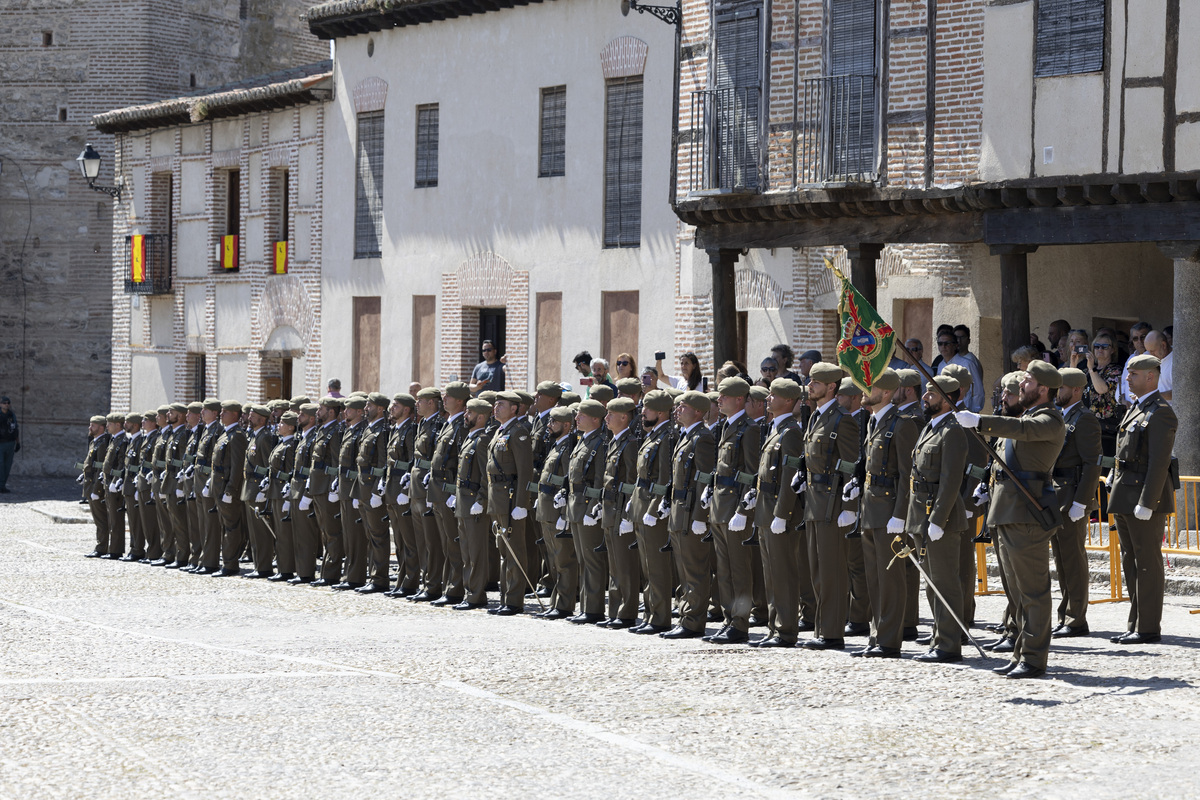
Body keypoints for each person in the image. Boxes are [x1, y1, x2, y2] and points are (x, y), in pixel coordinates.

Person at [958, 360, 1066, 679]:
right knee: (1017, 591)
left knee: (1033, 590)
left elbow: (1023, 431)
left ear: (1043, 389)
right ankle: (1021, 651)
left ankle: (1034, 658)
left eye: (1028, 381)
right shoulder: (1024, 417)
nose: (1022, 385)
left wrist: (979, 420)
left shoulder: (1049, 419)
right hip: (1006, 511)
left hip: (1027, 513)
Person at [1108, 354, 1177, 645]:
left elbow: (1159, 462)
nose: (1127, 378)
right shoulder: (1136, 408)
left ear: (1151, 376)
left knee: (1147, 561)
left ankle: (1148, 627)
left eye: (1133, 373)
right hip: (1125, 493)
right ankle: (1135, 622)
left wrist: (1148, 501)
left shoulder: (1160, 411)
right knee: (1131, 560)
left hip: (1144, 496)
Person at [853, 369, 917, 659]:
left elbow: (908, 475)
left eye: (872, 386)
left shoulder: (901, 425)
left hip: (890, 511)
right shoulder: (874, 422)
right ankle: (877, 634)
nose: (865, 390)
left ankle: (890, 640)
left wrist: (900, 514)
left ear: (888, 393)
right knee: (874, 578)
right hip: (871, 509)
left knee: (890, 578)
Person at [908, 375, 969, 665]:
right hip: (922, 513)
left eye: (932, 393)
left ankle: (949, 644)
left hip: (939, 517)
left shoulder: (953, 430)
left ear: (948, 399)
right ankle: (938, 636)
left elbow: (951, 479)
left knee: (945, 583)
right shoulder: (932, 427)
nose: (925, 397)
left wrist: (939, 519)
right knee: (932, 583)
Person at [800, 363, 859, 650]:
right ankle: (823, 627)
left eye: (816, 381)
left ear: (831, 387)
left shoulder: (842, 420)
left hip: (832, 504)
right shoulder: (815, 418)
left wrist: (850, 506)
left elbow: (850, 463)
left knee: (832, 569)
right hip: (813, 501)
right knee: (816, 570)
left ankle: (833, 632)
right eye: (810, 380)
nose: (810, 385)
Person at [703, 377, 760, 645]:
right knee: (724, 570)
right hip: (719, 506)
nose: (718, 400)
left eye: (723, 396)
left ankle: (740, 623)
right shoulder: (727, 426)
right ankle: (728, 619)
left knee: (739, 570)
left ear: (739, 399)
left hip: (734, 509)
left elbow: (750, 472)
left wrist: (742, 510)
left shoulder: (748, 429)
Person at [751, 378, 807, 648]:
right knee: (771, 573)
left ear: (788, 401)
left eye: (774, 395)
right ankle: (775, 627)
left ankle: (786, 629)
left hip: (778, 511)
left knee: (783, 572)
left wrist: (782, 513)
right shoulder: (775, 429)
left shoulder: (791, 432)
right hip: (765, 510)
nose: (768, 399)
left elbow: (790, 475)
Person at [1050, 368, 1103, 638]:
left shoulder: (1084, 419)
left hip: (1072, 496)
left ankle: (1076, 618)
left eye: (1061, 388)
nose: (1056, 393)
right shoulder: (1059, 416)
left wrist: (1082, 502)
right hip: (1055, 496)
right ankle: (1065, 613)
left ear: (1077, 390)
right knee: (1061, 560)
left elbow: (1092, 463)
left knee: (1073, 559)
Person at [662, 390, 716, 639]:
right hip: (678, 511)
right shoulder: (686, 436)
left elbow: (704, 479)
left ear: (697, 411)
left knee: (695, 569)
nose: (677, 410)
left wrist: (699, 516)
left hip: (690, 512)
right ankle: (685, 614)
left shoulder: (702, 438)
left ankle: (693, 621)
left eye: (682, 406)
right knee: (683, 570)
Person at [630, 389, 675, 634]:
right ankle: (650, 614)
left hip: (653, 509)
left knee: (656, 566)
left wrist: (654, 508)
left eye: (647, 409)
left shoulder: (667, 437)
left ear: (660, 412)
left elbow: (664, 479)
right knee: (647, 566)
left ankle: (659, 617)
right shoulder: (652, 435)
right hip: (642, 504)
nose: (642, 413)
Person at [486, 391, 534, 616]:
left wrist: (521, 504)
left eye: (501, 404)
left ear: (514, 408)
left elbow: (525, 471)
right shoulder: (500, 431)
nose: (496, 408)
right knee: (503, 549)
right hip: (497, 497)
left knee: (514, 549)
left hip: (511, 498)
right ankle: (505, 597)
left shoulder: (519, 433)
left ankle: (514, 600)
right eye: (495, 404)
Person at [598, 396, 641, 628]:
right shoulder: (615, 441)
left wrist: (627, 514)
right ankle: (615, 610)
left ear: (624, 417)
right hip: (610, 507)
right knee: (614, 564)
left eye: (610, 414)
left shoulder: (630, 443)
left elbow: (633, 481)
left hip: (621, 509)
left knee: (625, 564)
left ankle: (627, 612)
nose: (606, 418)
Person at [566, 399, 609, 624]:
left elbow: (599, 479)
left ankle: (593, 609)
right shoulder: (584, 440)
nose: (576, 419)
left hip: (587, 506)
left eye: (581, 415)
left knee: (592, 560)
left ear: (595, 419)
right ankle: (585, 606)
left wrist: (594, 508)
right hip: (576, 504)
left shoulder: (600, 443)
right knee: (583, 559)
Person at [356, 393, 393, 593]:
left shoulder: (382, 431)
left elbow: (381, 463)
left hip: (372, 490)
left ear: (380, 408)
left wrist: (379, 490)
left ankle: (379, 579)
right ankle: (372, 576)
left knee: (378, 535)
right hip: (363, 489)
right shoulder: (368, 429)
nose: (365, 408)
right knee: (370, 535)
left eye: (369, 405)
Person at [1082, 331, 1122, 455]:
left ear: (1113, 350)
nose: (1100, 349)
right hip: (1088, 427)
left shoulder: (1115, 370)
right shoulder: (1088, 371)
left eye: (1105, 347)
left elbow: (1102, 389)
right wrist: (1074, 361)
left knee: (1104, 467)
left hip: (1107, 430)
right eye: (1097, 346)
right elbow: (1074, 389)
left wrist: (1091, 369)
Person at [1121, 322, 1152, 404]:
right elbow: (1123, 383)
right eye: (1135, 338)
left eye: (1143, 337)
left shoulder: (1155, 358)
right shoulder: (1130, 358)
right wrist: (1123, 401)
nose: (1140, 341)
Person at [1145, 330, 1172, 402]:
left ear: (1163, 345)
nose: (1151, 355)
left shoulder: (1177, 361)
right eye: (1149, 351)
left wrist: (1153, 396)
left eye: (1152, 351)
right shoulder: (1153, 358)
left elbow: (1180, 393)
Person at [0, 396, 19, 493]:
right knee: (1, 465)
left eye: (8, 403)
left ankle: (2, 485)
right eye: (4, 403)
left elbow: (15, 428)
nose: (6, 404)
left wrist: (18, 443)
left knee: (7, 466)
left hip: (10, 443)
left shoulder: (12, 415)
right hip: (1, 444)